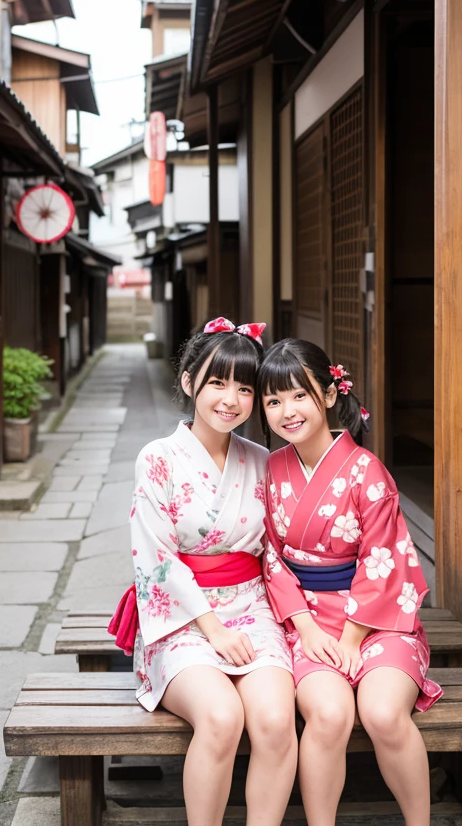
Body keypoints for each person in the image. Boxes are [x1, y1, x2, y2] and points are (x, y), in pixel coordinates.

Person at [258, 338, 442, 826]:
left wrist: (353, 637)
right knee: (329, 714)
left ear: (329, 393)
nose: (286, 411)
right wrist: (311, 630)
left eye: (299, 395)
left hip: (379, 623)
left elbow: (385, 559)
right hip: (307, 623)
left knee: (383, 713)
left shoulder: (368, 472)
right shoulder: (272, 470)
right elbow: (269, 556)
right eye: (273, 401)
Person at [124, 318, 297, 826]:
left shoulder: (263, 461)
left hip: (251, 608)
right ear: (188, 382)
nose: (231, 399)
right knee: (222, 718)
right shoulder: (158, 459)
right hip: (181, 619)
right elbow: (155, 558)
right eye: (218, 382)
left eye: (245, 387)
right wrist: (212, 628)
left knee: (274, 720)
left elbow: (275, 553)